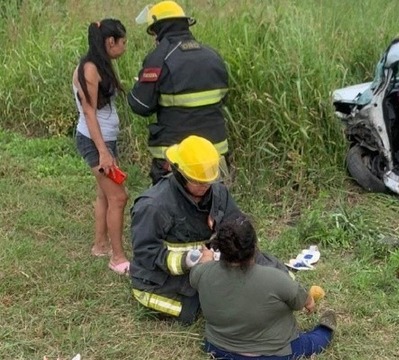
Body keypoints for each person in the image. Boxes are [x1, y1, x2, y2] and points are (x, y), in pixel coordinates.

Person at [129, 135, 287, 324]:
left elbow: (238, 224)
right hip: (162, 278)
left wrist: (227, 247)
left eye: (209, 181)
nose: (206, 186)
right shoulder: (153, 206)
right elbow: (146, 254)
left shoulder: (217, 192)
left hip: (210, 263)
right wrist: (190, 260)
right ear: (180, 174)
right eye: (199, 182)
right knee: (207, 305)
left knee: (268, 268)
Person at [190, 214, 336, 360]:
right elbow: (303, 301)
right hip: (273, 354)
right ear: (254, 247)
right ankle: (326, 329)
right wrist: (310, 301)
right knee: (313, 340)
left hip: (218, 349)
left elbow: (197, 273)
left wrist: (206, 259)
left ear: (220, 247)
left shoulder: (202, 273)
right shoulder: (276, 279)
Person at [128, 1, 231, 184]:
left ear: (159, 29)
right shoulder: (213, 56)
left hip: (176, 156)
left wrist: (138, 86)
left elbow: (141, 105)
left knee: (172, 209)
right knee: (216, 206)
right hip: (214, 152)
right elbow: (222, 98)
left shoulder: (160, 57)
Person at [72, 19, 130, 275]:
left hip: (105, 140)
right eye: (123, 42)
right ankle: (117, 258)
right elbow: (88, 112)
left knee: (105, 195)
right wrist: (104, 153)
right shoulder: (89, 69)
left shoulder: (101, 65)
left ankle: (100, 246)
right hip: (96, 142)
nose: (125, 47)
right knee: (119, 197)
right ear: (110, 42)